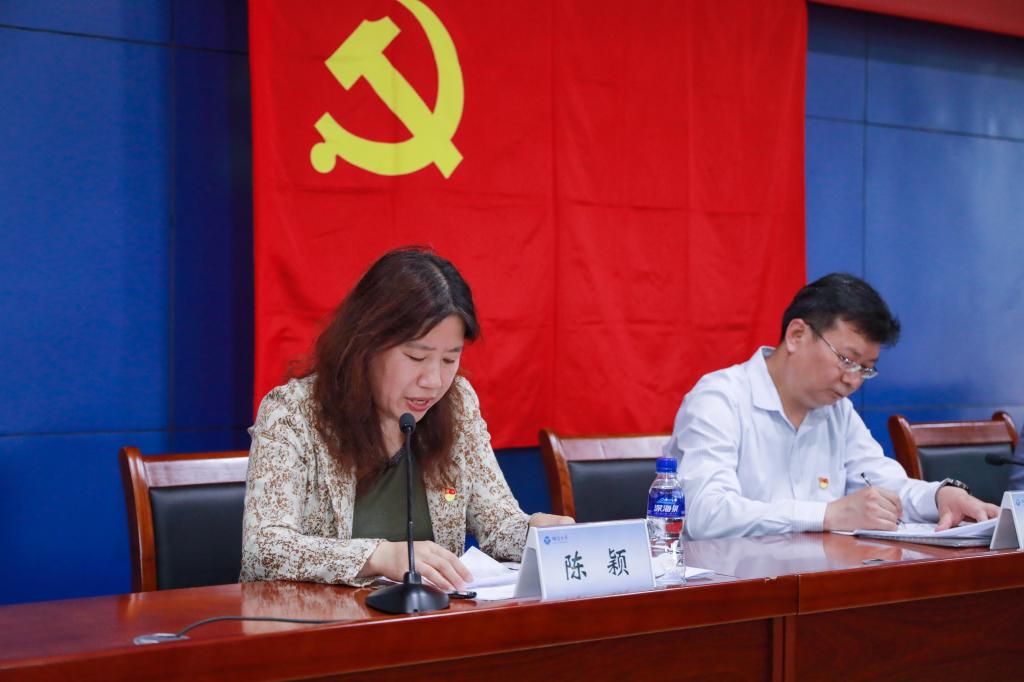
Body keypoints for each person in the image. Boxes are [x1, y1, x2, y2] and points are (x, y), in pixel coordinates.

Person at [241, 247, 572, 590]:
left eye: (449, 360)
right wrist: (379, 556)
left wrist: (536, 533)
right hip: (319, 620)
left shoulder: (457, 404)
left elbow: (497, 525)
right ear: (366, 344)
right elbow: (263, 548)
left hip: (428, 618)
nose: (433, 381)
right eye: (416, 357)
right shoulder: (293, 412)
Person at [665, 273, 999, 540]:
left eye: (866, 369)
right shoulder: (720, 399)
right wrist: (827, 515)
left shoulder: (837, 412)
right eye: (847, 360)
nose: (853, 381)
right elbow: (705, 514)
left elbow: (885, 486)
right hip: (730, 589)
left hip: (818, 585)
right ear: (797, 335)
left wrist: (940, 497)